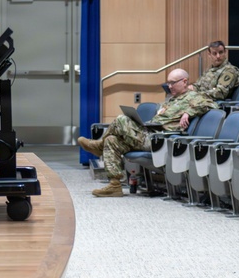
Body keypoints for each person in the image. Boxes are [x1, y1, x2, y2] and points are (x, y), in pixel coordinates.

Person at [78, 68, 216, 198]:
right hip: (148, 134)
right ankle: (114, 185)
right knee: (112, 140)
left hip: (158, 140)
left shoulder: (194, 97)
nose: (169, 86)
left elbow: (212, 105)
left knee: (121, 119)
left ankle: (98, 146)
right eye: (168, 83)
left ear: (184, 81)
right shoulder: (172, 100)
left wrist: (188, 112)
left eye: (172, 83)